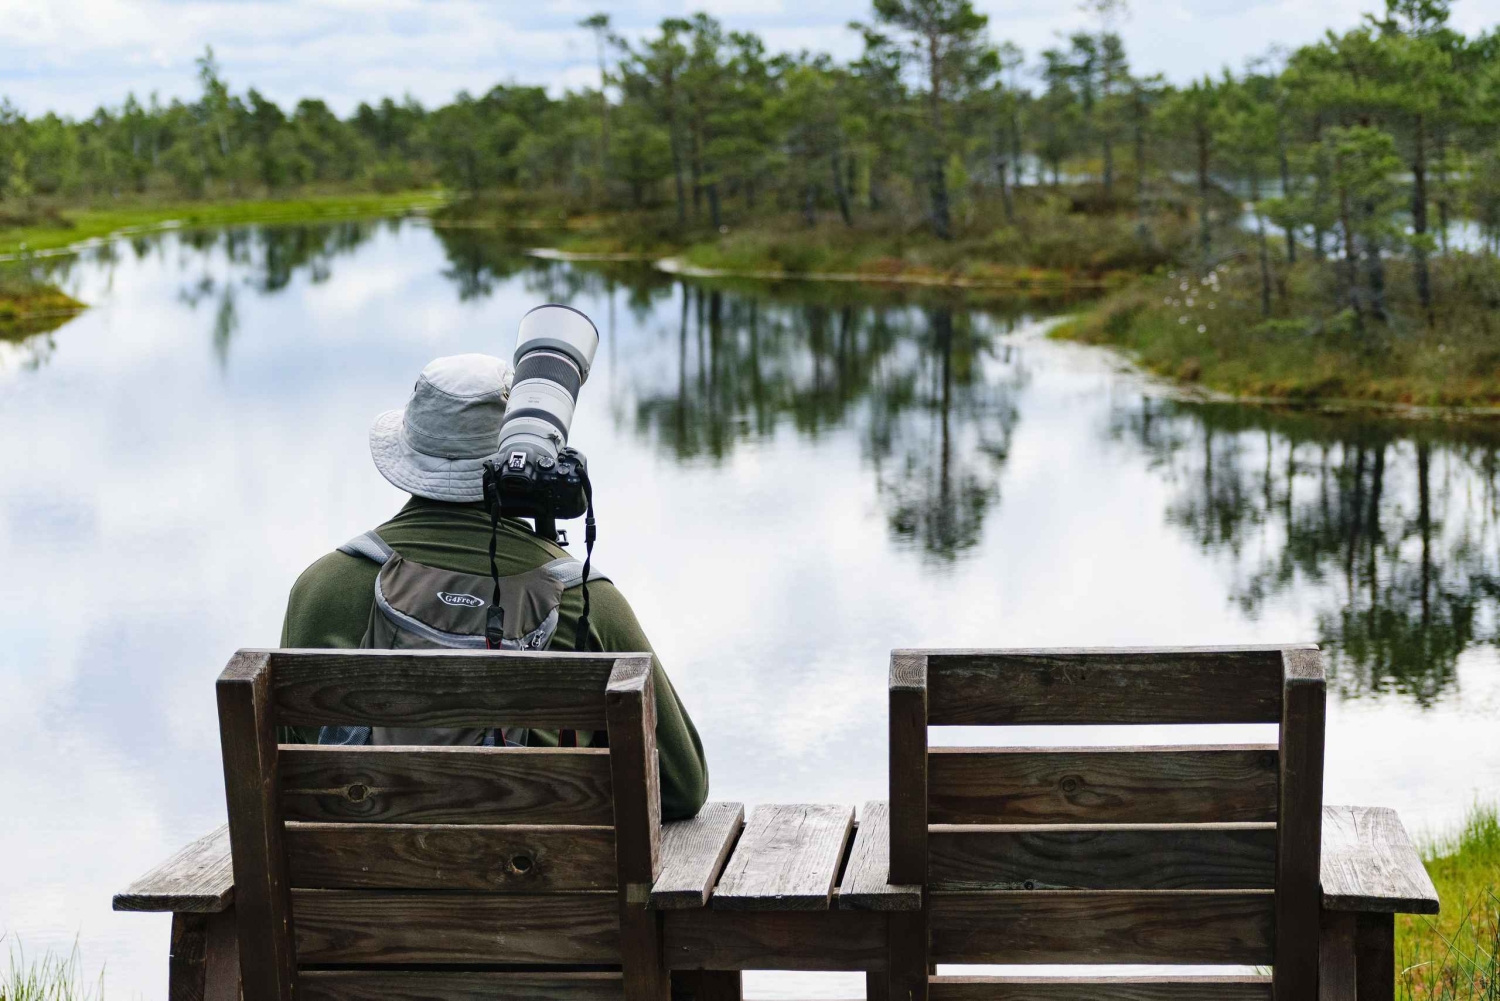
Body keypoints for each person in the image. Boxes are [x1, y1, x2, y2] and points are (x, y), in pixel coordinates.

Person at [280, 353, 709, 820]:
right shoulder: (584, 600)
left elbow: (289, 773)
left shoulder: (321, 588)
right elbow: (681, 786)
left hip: (351, 884)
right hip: (532, 882)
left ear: (407, 449)